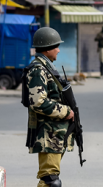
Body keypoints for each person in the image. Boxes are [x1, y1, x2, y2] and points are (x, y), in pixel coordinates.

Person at [26, 27, 75, 187]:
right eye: (56, 46)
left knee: (51, 178)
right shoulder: (38, 70)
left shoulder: (46, 67)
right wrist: (66, 111)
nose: (59, 50)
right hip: (48, 134)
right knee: (50, 181)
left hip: (55, 133)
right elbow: (37, 102)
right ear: (47, 49)